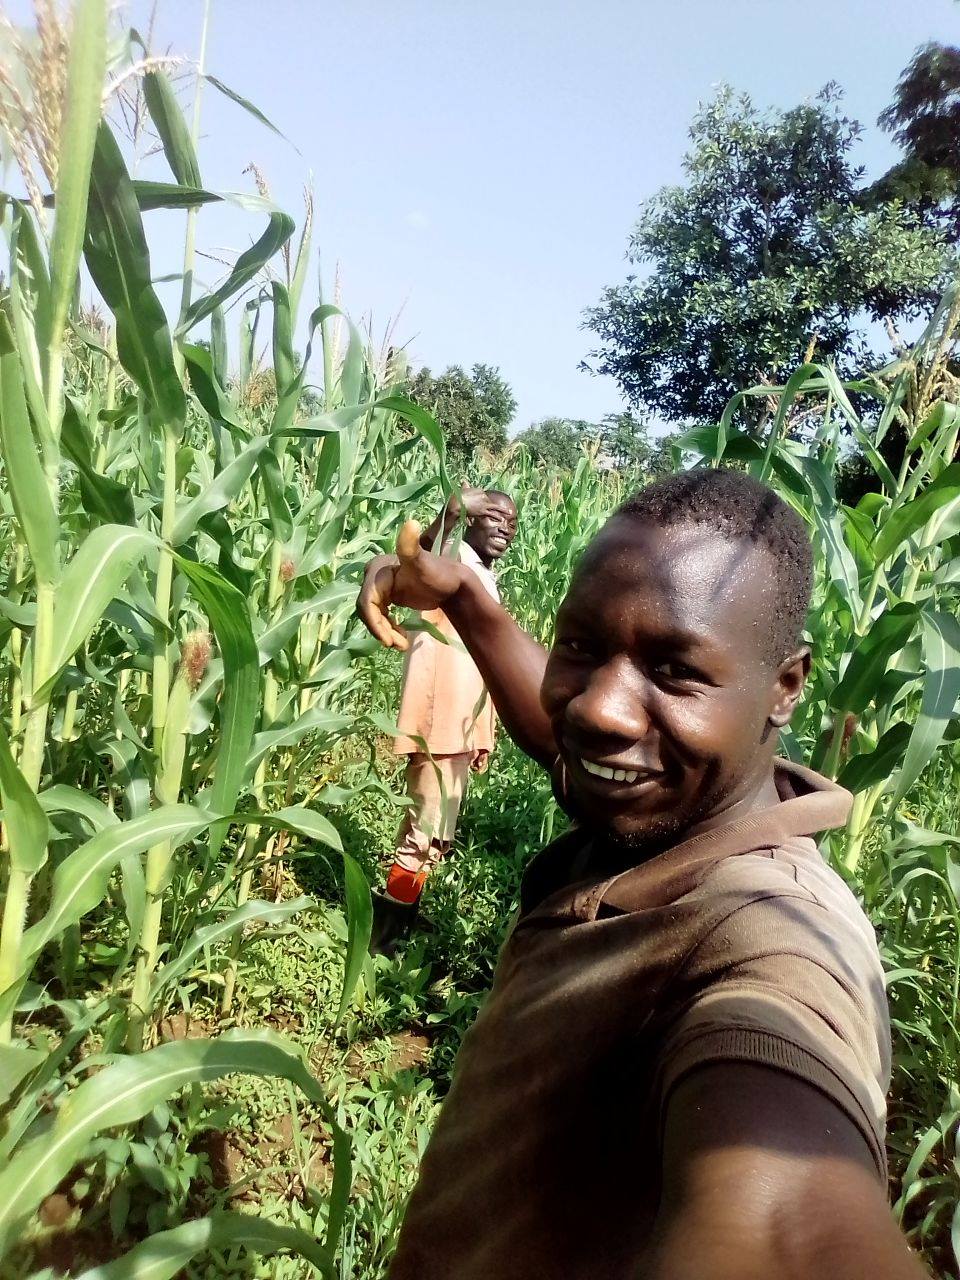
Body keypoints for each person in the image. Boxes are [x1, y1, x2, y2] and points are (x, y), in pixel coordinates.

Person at [356, 468, 924, 1280]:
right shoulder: (674, 793)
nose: (599, 710)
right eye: (580, 644)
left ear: (786, 688)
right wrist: (466, 601)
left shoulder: (771, 938)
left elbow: (787, 1214)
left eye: (674, 671)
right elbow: (567, 743)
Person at [369, 485, 518, 954]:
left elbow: (482, 662)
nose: (505, 529)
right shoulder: (451, 564)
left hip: (460, 725)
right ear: (472, 518)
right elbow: (412, 564)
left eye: (512, 524)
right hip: (440, 720)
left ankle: (403, 913)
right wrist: (447, 517)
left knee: (435, 832)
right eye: (493, 517)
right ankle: (384, 938)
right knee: (422, 833)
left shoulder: (483, 576)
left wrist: (483, 729)